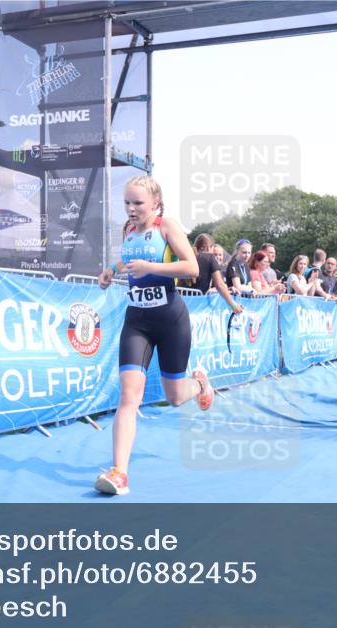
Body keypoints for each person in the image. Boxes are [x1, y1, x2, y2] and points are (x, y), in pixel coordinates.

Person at [94, 175, 214, 495]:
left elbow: (191, 269)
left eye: (138, 203)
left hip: (171, 319)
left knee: (175, 397)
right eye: (127, 203)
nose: (131, 209)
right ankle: (120, 473)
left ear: (155, 203)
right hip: (137, 321)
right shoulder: (129, 232)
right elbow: (129, 260)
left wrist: (152, 268)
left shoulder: (167, 226)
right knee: (128, 395)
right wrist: (112, 271)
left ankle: (201, 383)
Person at [191, 233, 243, 314]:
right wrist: (233, 305)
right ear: (209, 247)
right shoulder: (210, 257)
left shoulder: (188, 256)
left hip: (183, 304)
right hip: (198, 308)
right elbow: (220, 285)